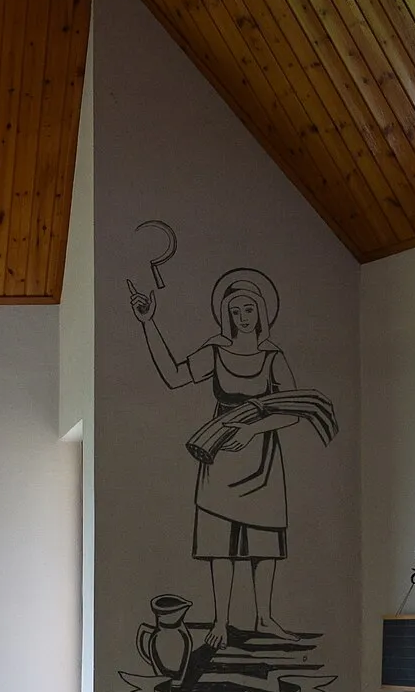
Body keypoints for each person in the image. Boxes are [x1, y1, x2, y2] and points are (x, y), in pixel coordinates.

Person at [128, 267, 331, 650]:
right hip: (220, 451)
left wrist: (254, 428)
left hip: (261, 457)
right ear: (225, 314)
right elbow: (173, 375)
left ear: (261, 312)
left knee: (263, 539)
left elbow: (294, 407)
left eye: (248, 309)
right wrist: (148, 322)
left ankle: (264, 617)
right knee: (219, 542)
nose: (242, 317)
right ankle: (220, 621)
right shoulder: (216, 352)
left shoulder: (272, 357)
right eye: (235, 310)